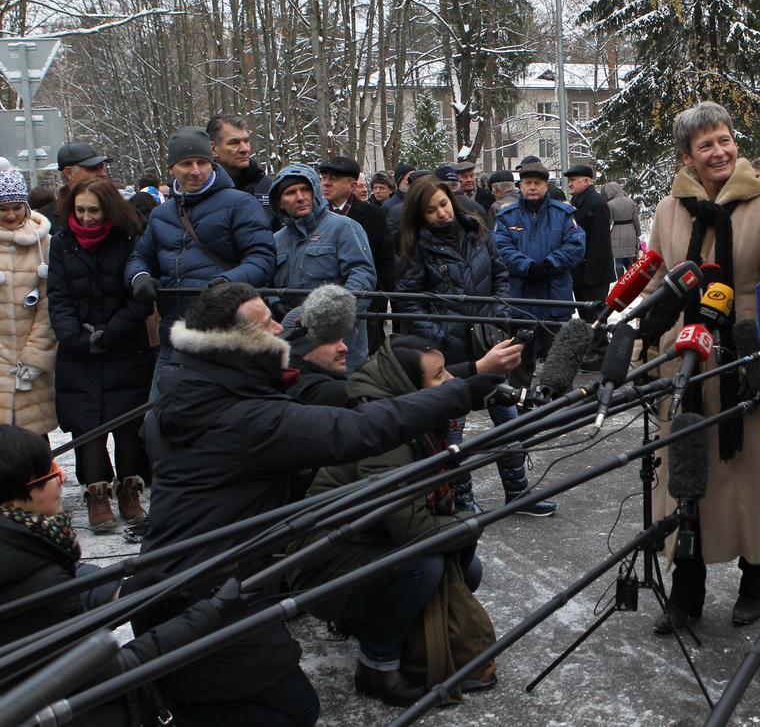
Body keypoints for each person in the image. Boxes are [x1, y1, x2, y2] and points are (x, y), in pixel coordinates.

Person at [126, 281, 497, 727]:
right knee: (292, 711)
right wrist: (463, 390)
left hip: (195, 580)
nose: (281, 328)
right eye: (267, 323)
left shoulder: (190, 391)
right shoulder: (247, 419)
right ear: (240, 341)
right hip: (209, 593)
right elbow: (361, 428)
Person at [643, 101, 760, 633]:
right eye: (706, 144)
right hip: (683, 371)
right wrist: (647, 340)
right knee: (685, 477)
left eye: (726, 140)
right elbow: (655, 282)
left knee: (747, 481)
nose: (720, 152)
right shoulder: (669, 210)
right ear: (687, 155)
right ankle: (687, 593)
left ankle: (755, 577)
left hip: (742, 369)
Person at [290, 336, 496, 706]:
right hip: (323, 567)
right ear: (412, 388)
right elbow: (413, 529)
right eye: (438, 376)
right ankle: (377, 669)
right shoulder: (389, 435)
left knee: (468, 569)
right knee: (424, 565)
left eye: (448, 369)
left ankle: (391, 634)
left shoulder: (415, 422)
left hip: (365, 544)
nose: (451, 381)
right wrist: (470, 523)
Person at [0, 426, 248, 726]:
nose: (61, 478)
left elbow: (67, 580)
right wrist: (205, 616)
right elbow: (105, 673)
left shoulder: (20, 545)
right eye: (49, 472)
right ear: (14, 497)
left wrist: (124, 591)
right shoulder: (35, 577)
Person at [397, 175, 550, 515]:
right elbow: (410, 302)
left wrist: (495, 313)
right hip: (448, 351)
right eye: (431, 209)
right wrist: (438, 334)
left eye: (443, 204)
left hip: (488, 341)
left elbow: (501, 275)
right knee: (454, 432)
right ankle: (462, 498)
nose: (441, 213)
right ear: (419, 215)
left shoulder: (476, 230)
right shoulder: (416, 247)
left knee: (507, 419)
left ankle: (518, 493)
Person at [126, 126, 276, 391]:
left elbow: (262, 259)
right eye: (186, 163)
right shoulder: (161, 215)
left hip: (227, 337)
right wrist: (139, 277)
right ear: (172, 168)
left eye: (202, 162)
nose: (195, 170)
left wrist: (226, 284)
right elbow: (139, 256)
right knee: (157, 423)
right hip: (174, 338)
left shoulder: (240, 204)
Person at [47, 178, 155, 533]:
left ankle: (129, 490)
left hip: (123, 347)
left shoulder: (128, 239)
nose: (88, 217)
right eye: (81, 210)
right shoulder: (62, 242)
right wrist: (75, 338)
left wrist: (110, 334)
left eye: (94, 210)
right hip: (78, 349)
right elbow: (58, 296)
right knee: (86, 424)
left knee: (127, 425)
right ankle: (96, 493)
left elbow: (137, 301)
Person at [269, 164, 377, 371]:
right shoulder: (276, 240)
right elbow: (266, 281)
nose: (300, 197)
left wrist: (329, 314)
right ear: (280, 202)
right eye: (290, 192)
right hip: (295, 345)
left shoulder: (344, 227)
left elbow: (362, 277)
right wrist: (276, 305)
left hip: (341, 345)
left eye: (305, 189)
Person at [493, 160, 586, 368]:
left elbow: (576, 245)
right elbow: (500, 248)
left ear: (546, 185)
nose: (532, 187)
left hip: (555, 299)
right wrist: (527, 266)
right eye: (527, 183)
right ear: (520, 186)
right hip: (521, 301)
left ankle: (558, 400)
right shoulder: (506, 217)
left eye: (537, 183)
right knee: (519, 366)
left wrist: (549, 264)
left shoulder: (563, 214)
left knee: (559, 364)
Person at [0, 158, 56, 436]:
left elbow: (49, 303)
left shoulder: (43, 243)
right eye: (2, 209)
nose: (10, 215)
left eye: (15, 207)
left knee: (33, 440)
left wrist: (35, 355)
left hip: (29, 355)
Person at [318, 155, 396, 353]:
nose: (326, 183)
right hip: (322, 307)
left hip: (364, 308)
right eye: (323, 177)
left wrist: (376, 302)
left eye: (333, 178)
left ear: (352, 186)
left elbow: (385, 262)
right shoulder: (314, 215)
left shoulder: (373, 216)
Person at [564, 164, 614, 366]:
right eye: (569, 180)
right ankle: (591, 350)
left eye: (573, 180)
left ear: (586, 181)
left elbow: (600, 243)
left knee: (595, 313)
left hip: (594, 273)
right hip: (581, 271)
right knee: (585, 314)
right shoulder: (578, 203)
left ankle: (600, 352)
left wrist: (591, 275)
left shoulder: (596, 203)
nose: (569, 184)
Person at [207, 113, 276, 227]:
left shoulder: (267, 188)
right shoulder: (200, 191)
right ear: (213, 149)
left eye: (246, 141)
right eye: (234, 142)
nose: (245, 149)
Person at [38, 142, 112, 232]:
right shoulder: (44, 222)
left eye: (101, 167)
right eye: (94, 167)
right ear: (69, 173)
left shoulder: (117, 208)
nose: (102, 173)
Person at [604, 180, 640, 274]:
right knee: (630, 259)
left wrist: (605, 235)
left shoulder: (610, 204)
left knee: (618, 260)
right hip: (631, 231)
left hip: (616, 232)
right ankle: (631, 279)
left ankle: (621, 280)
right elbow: (636, 220)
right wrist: (638, 233)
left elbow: (609, 221)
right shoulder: (630, 201)